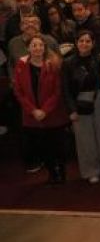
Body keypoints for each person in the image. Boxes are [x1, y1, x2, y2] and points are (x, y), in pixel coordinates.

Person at [62, 30, 100, 183]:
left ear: (93, 43)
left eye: (88, 41)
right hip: (80, 101)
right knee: (85, 139)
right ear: (76, 43)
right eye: (81, 41)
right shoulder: (68, 63)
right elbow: (65, 89)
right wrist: (71, 110)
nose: (84, 44)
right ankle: (91, 171)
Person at [12, 34, 69, 184]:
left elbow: (57, 91)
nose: (37, 48)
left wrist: (44, 110)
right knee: (42, 147)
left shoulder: (53, 64)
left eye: (40, 45)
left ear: (45, 47)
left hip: (53, 113)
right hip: (32, 116)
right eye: (34, 45)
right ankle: (52, 173)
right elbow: (18, 91)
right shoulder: (21, 64)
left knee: (58, 146)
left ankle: (61, 172)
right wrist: (33, 111)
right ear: (28, 48)